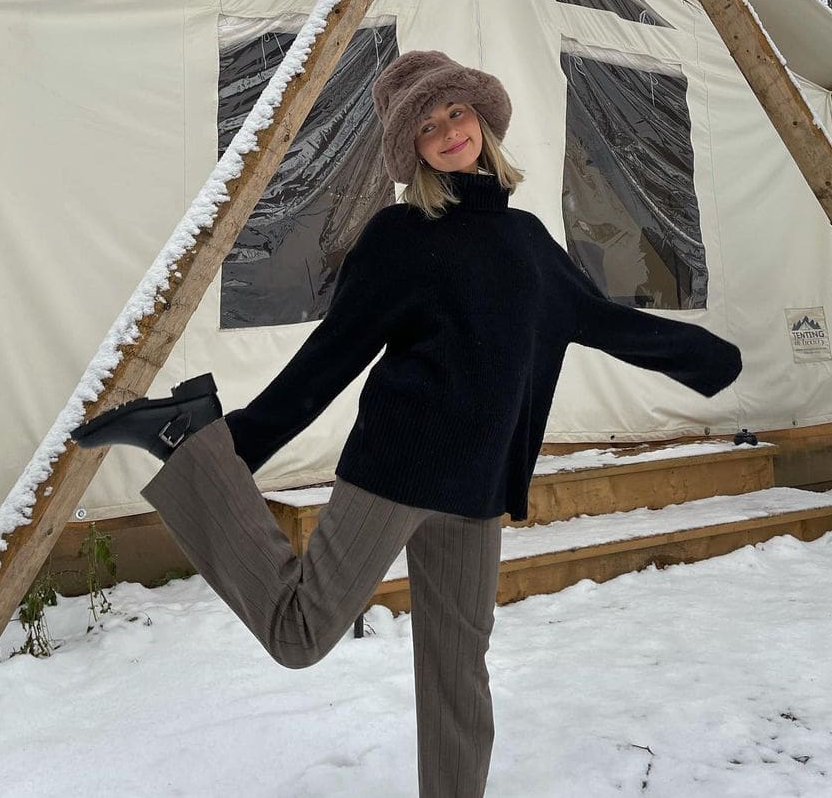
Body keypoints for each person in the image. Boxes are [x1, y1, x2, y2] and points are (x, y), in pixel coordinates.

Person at [73, 49, 742, 798]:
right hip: (396, 471)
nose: (449, 130)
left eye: (456, 111)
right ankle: (184, 440)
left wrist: (706, 359)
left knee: (460, 675)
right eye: (427, 125)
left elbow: (604, 321)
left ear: (482, 118)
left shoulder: (526, 243)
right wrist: (231, 446)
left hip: (477, 490)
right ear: (414, 150)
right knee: (299, 632)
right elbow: (330, 359)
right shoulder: (399, 235)